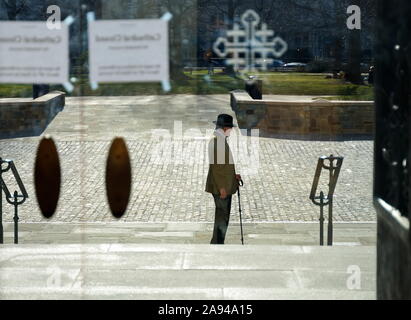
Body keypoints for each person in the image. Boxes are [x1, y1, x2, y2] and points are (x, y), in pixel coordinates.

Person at [205, 114, 242, 244]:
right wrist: (222, 188)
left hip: (224, 185)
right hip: (222, 188)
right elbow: (217, 168)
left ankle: (218, 242)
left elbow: (224, 165)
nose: (231, 131)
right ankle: (217, 244)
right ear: (225, 128)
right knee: (222, 218)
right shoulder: (218, 142)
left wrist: (233, 175)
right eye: (230, 128)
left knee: (222, 217)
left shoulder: (219, 140)